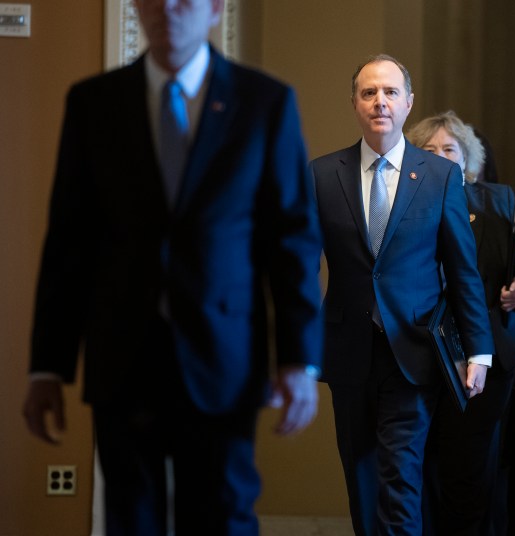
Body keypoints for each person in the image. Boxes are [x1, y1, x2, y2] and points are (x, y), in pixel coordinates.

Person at [22, 1, 323, 534]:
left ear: (214, 10)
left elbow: (291, 239)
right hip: (122, 356)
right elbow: (69, 241)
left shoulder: (264, 103)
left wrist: (299, 359)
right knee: (130, 518)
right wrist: (48, 365)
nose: (168, 9)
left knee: (222, 518)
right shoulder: (94, 104)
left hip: (224, 357)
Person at [309, 56, 494, 536]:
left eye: (390, 92)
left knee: (401, 480)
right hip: (348, 351)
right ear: (354, 103)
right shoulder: (323, 174)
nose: (380, 102)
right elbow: (302, 267)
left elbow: (462, 270)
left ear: (408, 103)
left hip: (413, 353)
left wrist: (479, 348)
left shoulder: (438, 176)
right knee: (361, 480)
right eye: (369, 93)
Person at [407, 111, 515, 535]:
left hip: (489, 347)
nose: (441, 157)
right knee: (423, 464)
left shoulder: (500, 201)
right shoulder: (402, 203)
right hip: (420, 349)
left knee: (475, 465)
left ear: (468, 158)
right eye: (430, 150)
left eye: (450, 149)